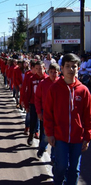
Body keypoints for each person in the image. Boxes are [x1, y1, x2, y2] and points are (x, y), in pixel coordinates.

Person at [44, 53, 91, 185]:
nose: (71, 69)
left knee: (74, 169)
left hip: (77, 137)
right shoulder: (54, 89)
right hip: (60, 136)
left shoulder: (83, 90)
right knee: (61, 166)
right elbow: (48, 113)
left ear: (78, 69)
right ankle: (58, 180)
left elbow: (88, 115)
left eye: (74, 66)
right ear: (62, 69)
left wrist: (87, 136)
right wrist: (50, 133)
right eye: (68, 66)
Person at [34, 63, 60, 159]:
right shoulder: (43, 83)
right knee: (46, 133)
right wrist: (39, 112)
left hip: (58, 114)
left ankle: (53, 156)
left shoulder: (61, 84)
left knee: (57, 136)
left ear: (59, 73)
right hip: (46, 112)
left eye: (55, 72)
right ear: (48, 72)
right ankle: (42, 148)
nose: (53, 74)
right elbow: (37, 98)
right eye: (51, 72)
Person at [25, 60, 48, 146]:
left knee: (43, 124)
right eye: (37, 68)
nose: (39, 71)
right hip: (33, 103)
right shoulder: (31, 79)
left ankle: (42, 142)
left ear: (44, 69)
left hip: (45, 105)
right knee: (33, 121)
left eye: (40, 68)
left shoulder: (47, 79)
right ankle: (31, 135)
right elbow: (28, 92)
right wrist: (26, 105)